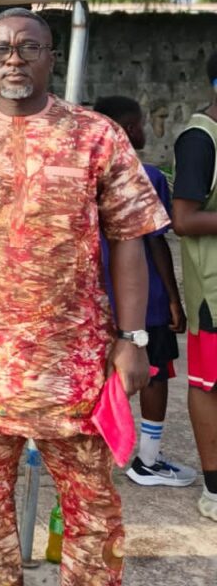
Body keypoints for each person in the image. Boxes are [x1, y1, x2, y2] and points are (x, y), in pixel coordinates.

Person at [0, 8, 169, 586]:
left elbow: (129, 239)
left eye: (29, 46)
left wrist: (132, 340)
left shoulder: (97, 135)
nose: (14, 58)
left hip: (75, 362)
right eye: (0, 48)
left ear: (50, 56)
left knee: (92, 502)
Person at [93, 95, 193, 487]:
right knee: (156, 373)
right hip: (143, 297)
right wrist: (173, 298)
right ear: (130, 129)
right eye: (140, 123)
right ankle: (148, 460)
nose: (145, 129)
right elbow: (155, 241)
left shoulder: (81, 173)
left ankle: (96, 455)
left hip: (97, 295)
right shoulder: (147, 175)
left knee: (98, 374)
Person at [171, 50, 217, 520]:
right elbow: (183, 220)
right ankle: (214, 490)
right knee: (209, 384)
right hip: (213, 291)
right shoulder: (200, 139)